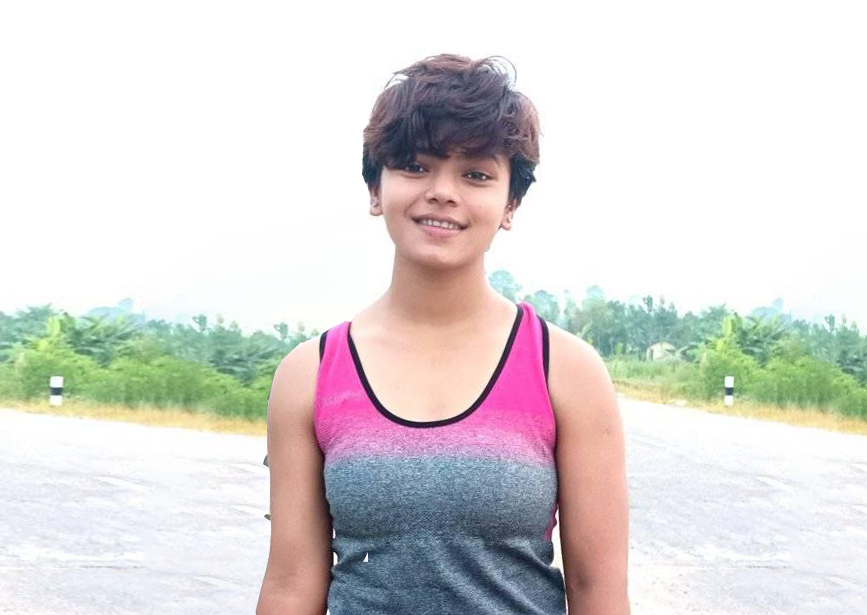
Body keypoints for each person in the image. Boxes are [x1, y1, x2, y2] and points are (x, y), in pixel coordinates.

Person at [256, 54, 630, 615]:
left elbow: (597, 587)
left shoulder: (563, 369)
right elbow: (291, 582)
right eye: (415, 166)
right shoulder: (310, 374)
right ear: (375, 188)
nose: (442, 192)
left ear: (510, 203)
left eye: (476, 174)